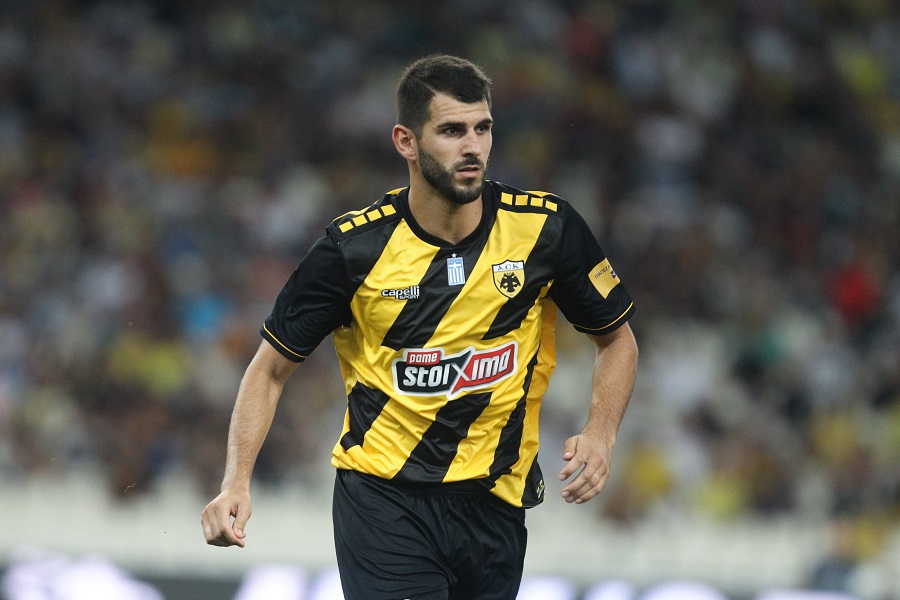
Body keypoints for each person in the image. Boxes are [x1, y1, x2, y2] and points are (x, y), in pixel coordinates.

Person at [201, 54, 639, 600]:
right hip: (384, 501)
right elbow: (268, 371)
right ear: (405, 141)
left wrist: (601, 432)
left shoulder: (546, 230)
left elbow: (617, 338)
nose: (473, 147)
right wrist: (236, 481)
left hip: (495, 505)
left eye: (482, 128)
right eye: (452, 131)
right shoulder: (351, 251)